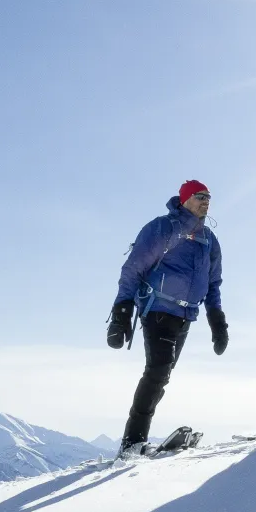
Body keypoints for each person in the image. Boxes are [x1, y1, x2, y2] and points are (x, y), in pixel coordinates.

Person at [107, 180, 227, 455]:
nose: (206, 201)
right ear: (184, 199)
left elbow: (213, 283)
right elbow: (133, 268)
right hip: (158, 309)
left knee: (163, 374)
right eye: (200, 196)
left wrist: (217, 321)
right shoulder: (162, 227)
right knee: (158, 370)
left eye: (209, 197)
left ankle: (136, 439)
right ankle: (132, 442)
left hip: (186, 315)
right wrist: (122, 311)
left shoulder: (209, 239)